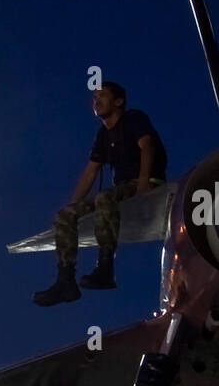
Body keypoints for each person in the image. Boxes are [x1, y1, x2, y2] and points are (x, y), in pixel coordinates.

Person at [34, 81, 167, 306]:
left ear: (118, 101)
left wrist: (144, 183)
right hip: (120, 191)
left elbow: (148, 146)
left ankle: (105, 269)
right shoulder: (102, 135)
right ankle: (66, 282)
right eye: (94, 97)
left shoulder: (133, 118)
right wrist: (73, 209)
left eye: (102, 95)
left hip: (146, 183)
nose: (96, 100)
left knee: (104, 197)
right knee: (64, 215)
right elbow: (91, 171)